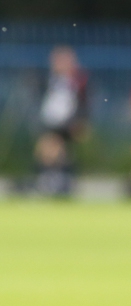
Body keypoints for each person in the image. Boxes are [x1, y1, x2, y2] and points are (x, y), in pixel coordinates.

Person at [34, 45, 87, 195]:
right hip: (49, 121)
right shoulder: (47, 79)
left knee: (56, 151)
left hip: (67, 123)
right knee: (47, 151)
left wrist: (81, 121)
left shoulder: (78, 81)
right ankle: (51, 180)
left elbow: (84, 103)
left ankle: (59, 182)